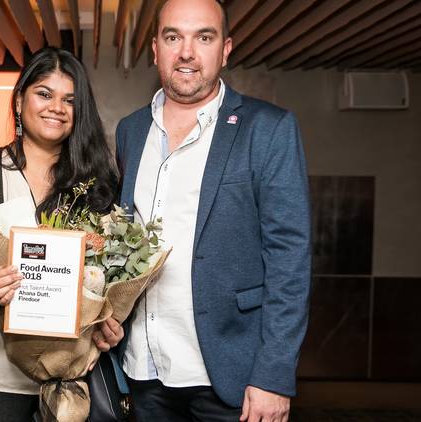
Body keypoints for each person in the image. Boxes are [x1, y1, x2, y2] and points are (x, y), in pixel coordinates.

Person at [115, 0, 311, 421]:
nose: (186, 52)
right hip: (144, 371)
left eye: (203, 37)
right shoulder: (130, 131)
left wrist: (274, 375)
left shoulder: (268, 128)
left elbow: (289, 260)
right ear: (155, 49)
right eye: (173, 37)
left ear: (225, 49)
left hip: (231, 378)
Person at [0, 47, 123, 422]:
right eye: (44, 94)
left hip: (73, 383)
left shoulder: (97, 185)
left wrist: (109, 321)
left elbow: (113, 278)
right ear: (19, 101)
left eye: (70, 100)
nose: (56, 108)